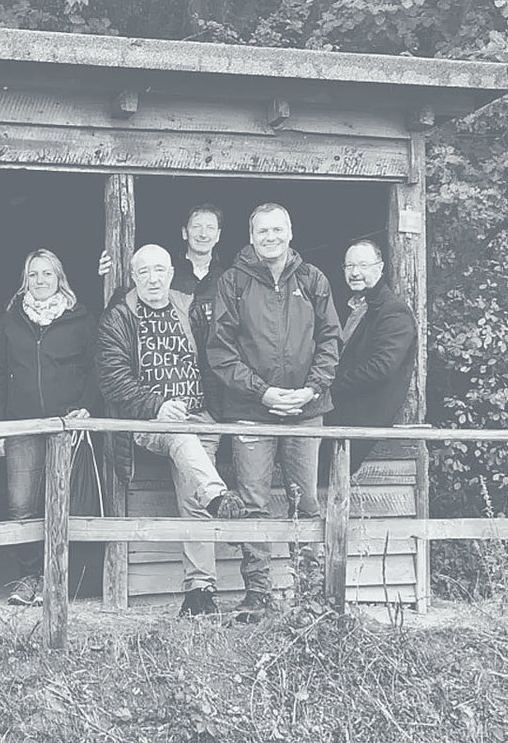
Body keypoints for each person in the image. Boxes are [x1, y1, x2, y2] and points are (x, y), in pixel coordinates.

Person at [96, 244, 247, 617]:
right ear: (133, 277)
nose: (153, 278)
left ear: (170, 273)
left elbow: (214, 359)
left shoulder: (189, 308)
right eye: (144, 271)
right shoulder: (119, 317)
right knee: (182, 440)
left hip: (200, 416)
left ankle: (199, 593)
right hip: (150, 422)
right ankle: (217, 496)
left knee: (191, 495)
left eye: (160, 270)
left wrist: (215, 409)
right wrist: (158, 406)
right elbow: (113, 378)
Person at [207, 203, 341, 618]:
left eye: (277, 230)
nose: (271, 237)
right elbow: (221, 350)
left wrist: (311, 389)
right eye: (262, 231)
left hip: (306, 409)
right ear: (250, 237)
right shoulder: (232, 282)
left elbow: (331, 339)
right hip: (251, 409)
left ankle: (312, 593)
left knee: (307, 502)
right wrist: (262, 392)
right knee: (253, 503)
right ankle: (259, 595)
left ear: (290, 233)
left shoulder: (313, 279)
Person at [0, 249, 98, 606]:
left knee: (60, 503)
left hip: (65, 427)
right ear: (25, 281)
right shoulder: (11, 321)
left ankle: (56, 578)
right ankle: (28, 578)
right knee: (21, 505)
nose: (40, 281)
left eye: (47, 274)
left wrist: (87, 408)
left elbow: (98, 367)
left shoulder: (79, 318)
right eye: (33, 275)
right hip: (22, 424)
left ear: (59, 278)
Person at [98, 202, 226, 414]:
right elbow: (120, 311)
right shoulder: (163, 271)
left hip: (207, 399)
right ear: (184, 232)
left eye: (210, 228)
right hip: (156, 406)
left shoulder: (227, 279)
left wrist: (217, 412)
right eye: (196, 227)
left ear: (218, 235)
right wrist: (104, 275)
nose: (203, 234)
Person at [327, 239, 416, 471]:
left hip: (362, 416)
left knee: (327, 476)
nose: (355, 273)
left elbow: (380, 368)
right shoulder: (348, 306)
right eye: (350, 266)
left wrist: (327, 385)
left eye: (364, 266)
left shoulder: (393, 312)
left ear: (380, 267)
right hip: (339, 410)